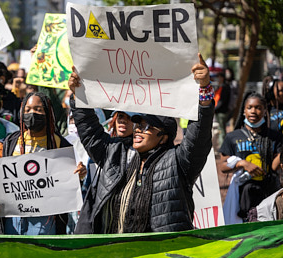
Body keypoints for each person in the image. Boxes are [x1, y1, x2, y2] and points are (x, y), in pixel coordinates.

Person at [68, 53, 214, 234]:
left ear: (164, 136)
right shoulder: (116, 153)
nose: (137, 129)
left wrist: (204, 89)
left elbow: (198, 134)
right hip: (115, 253)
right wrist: (78, 95)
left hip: (161, 254)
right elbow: (90, 132)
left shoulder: (178, 162)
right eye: (137, 124)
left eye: (146, 126)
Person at [2, 92, 86, 235]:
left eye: (38, 109)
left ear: (47, 113)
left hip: (45, 216)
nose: (32, 113)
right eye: (27, 110)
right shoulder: (11, 141)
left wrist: (79, 176)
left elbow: (68, 183)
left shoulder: (59, 143)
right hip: (15, 213)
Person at [220, 91, 282, 224]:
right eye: (250, 107)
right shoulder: (233, 137)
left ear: (265, 111)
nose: (253, 111)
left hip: (269, 191)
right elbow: (223, 166)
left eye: (258, 108)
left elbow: (274, 167)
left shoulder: (274, 137)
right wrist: (242, 163)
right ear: (244, 111)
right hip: (244, 195)